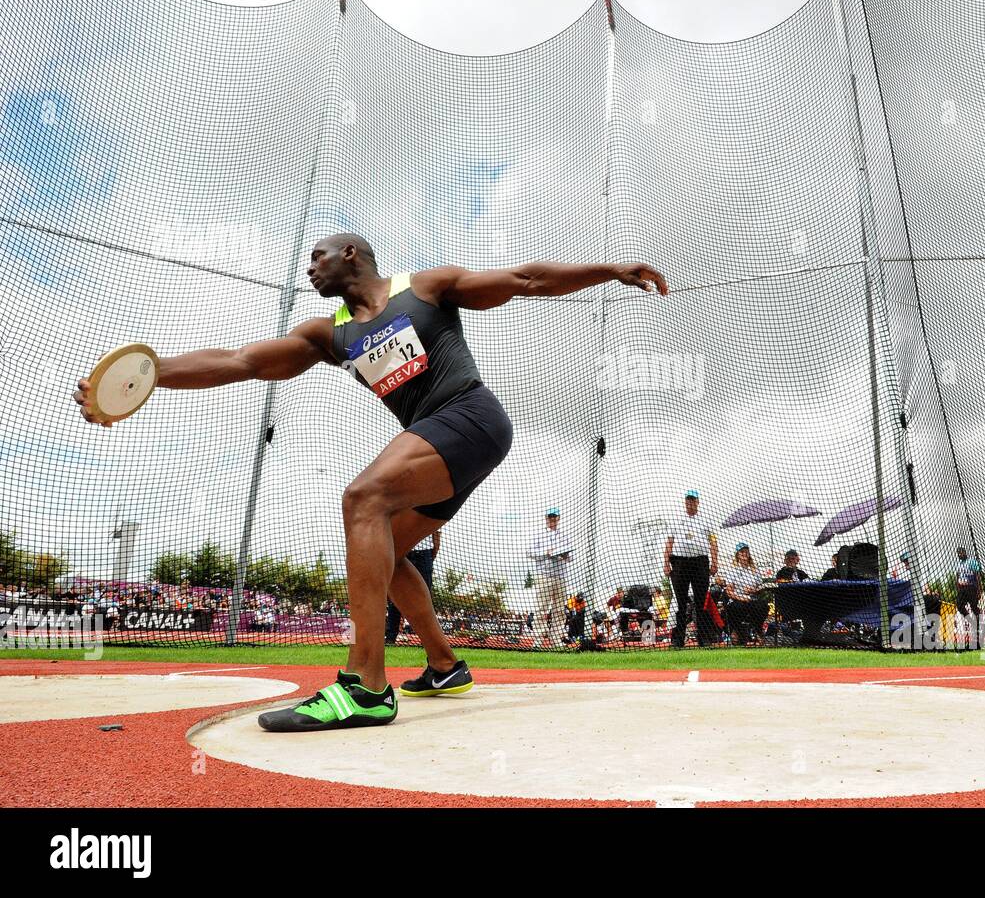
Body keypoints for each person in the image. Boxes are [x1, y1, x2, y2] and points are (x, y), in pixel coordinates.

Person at [75, 232, 667, 732]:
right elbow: (242, 362)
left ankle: (364, 686)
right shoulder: (328, 336)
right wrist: (147, 378)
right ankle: (444, 664)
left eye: (318, 257)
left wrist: (608, 269)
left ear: (352, 255)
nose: (309, 269)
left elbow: (524, 279)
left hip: (470, 417)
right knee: (386, 550)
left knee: (363, 500)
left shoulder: (425, 289)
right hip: (439, 444)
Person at [663, 489, 719, 647]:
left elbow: (713, 543)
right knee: (680, 603)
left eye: (693, 500)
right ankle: (677, 640)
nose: (690, 503)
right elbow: (669, 543)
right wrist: (666, 563)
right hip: (680, 563)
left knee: (701, 603)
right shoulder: (676, 519)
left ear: (698, 502)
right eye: (688, 500)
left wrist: (715, 562)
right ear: (684, 502)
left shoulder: (707, 520)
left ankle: (704, 639)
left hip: (700, 563)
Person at [528, 507, 573, 646]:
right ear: (546, 518)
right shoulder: (538, 535)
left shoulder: (565, 536)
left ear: (558, 518)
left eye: (554, 517)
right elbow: (530, 553)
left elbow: (571, 558)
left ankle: (556, 639)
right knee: (541, 608)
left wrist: (565, 555)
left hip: (561, 577)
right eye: (550, 517)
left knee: (559, 610)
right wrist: (546, 552)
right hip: (544, 576)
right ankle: (538, 639)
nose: (552, 519)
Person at [385, 530, 439, 644]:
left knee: (424, 598)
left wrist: (430, 555)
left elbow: (436, 535)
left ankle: (430, 640)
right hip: (407, 552)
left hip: (421, 552)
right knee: (397, 597)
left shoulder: (432, 513)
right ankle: (390, 637)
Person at [722, 542, 767, 645]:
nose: (744, 554)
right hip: (737, 599)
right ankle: (735, 629)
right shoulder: (732, 570)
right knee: (737, 607)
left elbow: (761, 587)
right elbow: (729, 591)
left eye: (746, 551)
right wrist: (741, 597)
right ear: (737, 554)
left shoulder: (755, 570)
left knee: (763, 606)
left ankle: (758, 629)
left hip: (752, 599)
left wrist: (753, 590)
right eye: (742, 552)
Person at [954, 546, 984, 646]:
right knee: (959, 605)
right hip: (962, 589)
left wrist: (980, 590)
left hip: (971, 588)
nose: (960, 555)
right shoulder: (958, 564)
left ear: (965, 553)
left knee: (973, 607)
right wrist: (957, 588)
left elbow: (978, 576)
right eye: (958, 553)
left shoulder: (972, 562)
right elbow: (957, 577)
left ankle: (979, 621)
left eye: (961, 553)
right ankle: (971, 621)